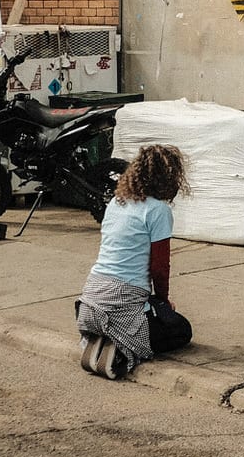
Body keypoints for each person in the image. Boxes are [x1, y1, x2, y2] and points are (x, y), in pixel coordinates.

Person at [74, 144, 194, 380]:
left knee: (150, 315)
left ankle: (102, 336)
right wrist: (162, 301)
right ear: (169, 178)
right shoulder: (158, 210)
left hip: (89, 301)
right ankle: (121, 344)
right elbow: (159, 267)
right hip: (123, 302)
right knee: (181, 330)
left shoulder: (116, 203)